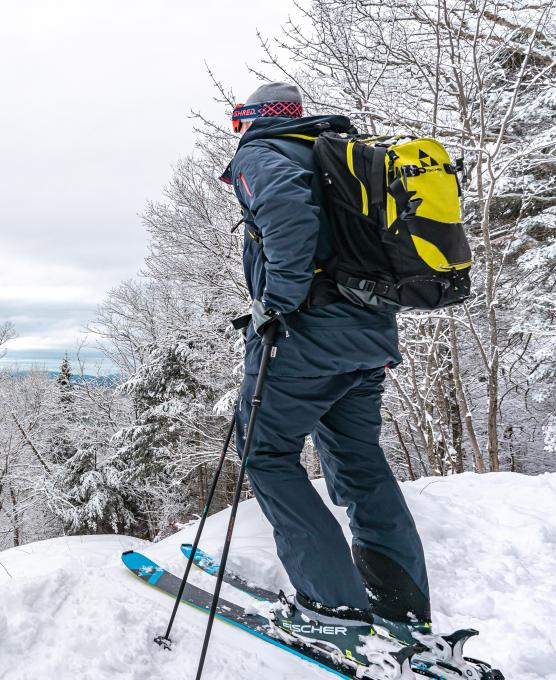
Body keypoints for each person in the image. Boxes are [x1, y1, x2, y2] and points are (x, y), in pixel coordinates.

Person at [222, 82, 431, 666]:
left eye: (239, 121)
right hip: (370, 336)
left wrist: (277, 303)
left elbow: (289, 216)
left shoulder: (261, 154)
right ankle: (402, 608)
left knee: (266, 454)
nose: (238, 132)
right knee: (360, 461)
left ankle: (331, 611)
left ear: (254, 119)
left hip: (306, 338)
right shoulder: (338, 155)